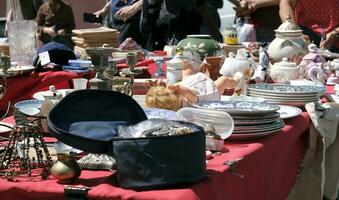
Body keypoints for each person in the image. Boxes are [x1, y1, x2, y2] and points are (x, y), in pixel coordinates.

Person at [145, 60, 245, 111]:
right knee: (223, 80)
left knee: (187, 76)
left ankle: (187, 66)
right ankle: (236, 82)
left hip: (192, 84)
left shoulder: (172, 103)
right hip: (206, 92)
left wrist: (161, 85)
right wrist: (178, 88)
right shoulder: (188, 99)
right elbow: (190, 94)